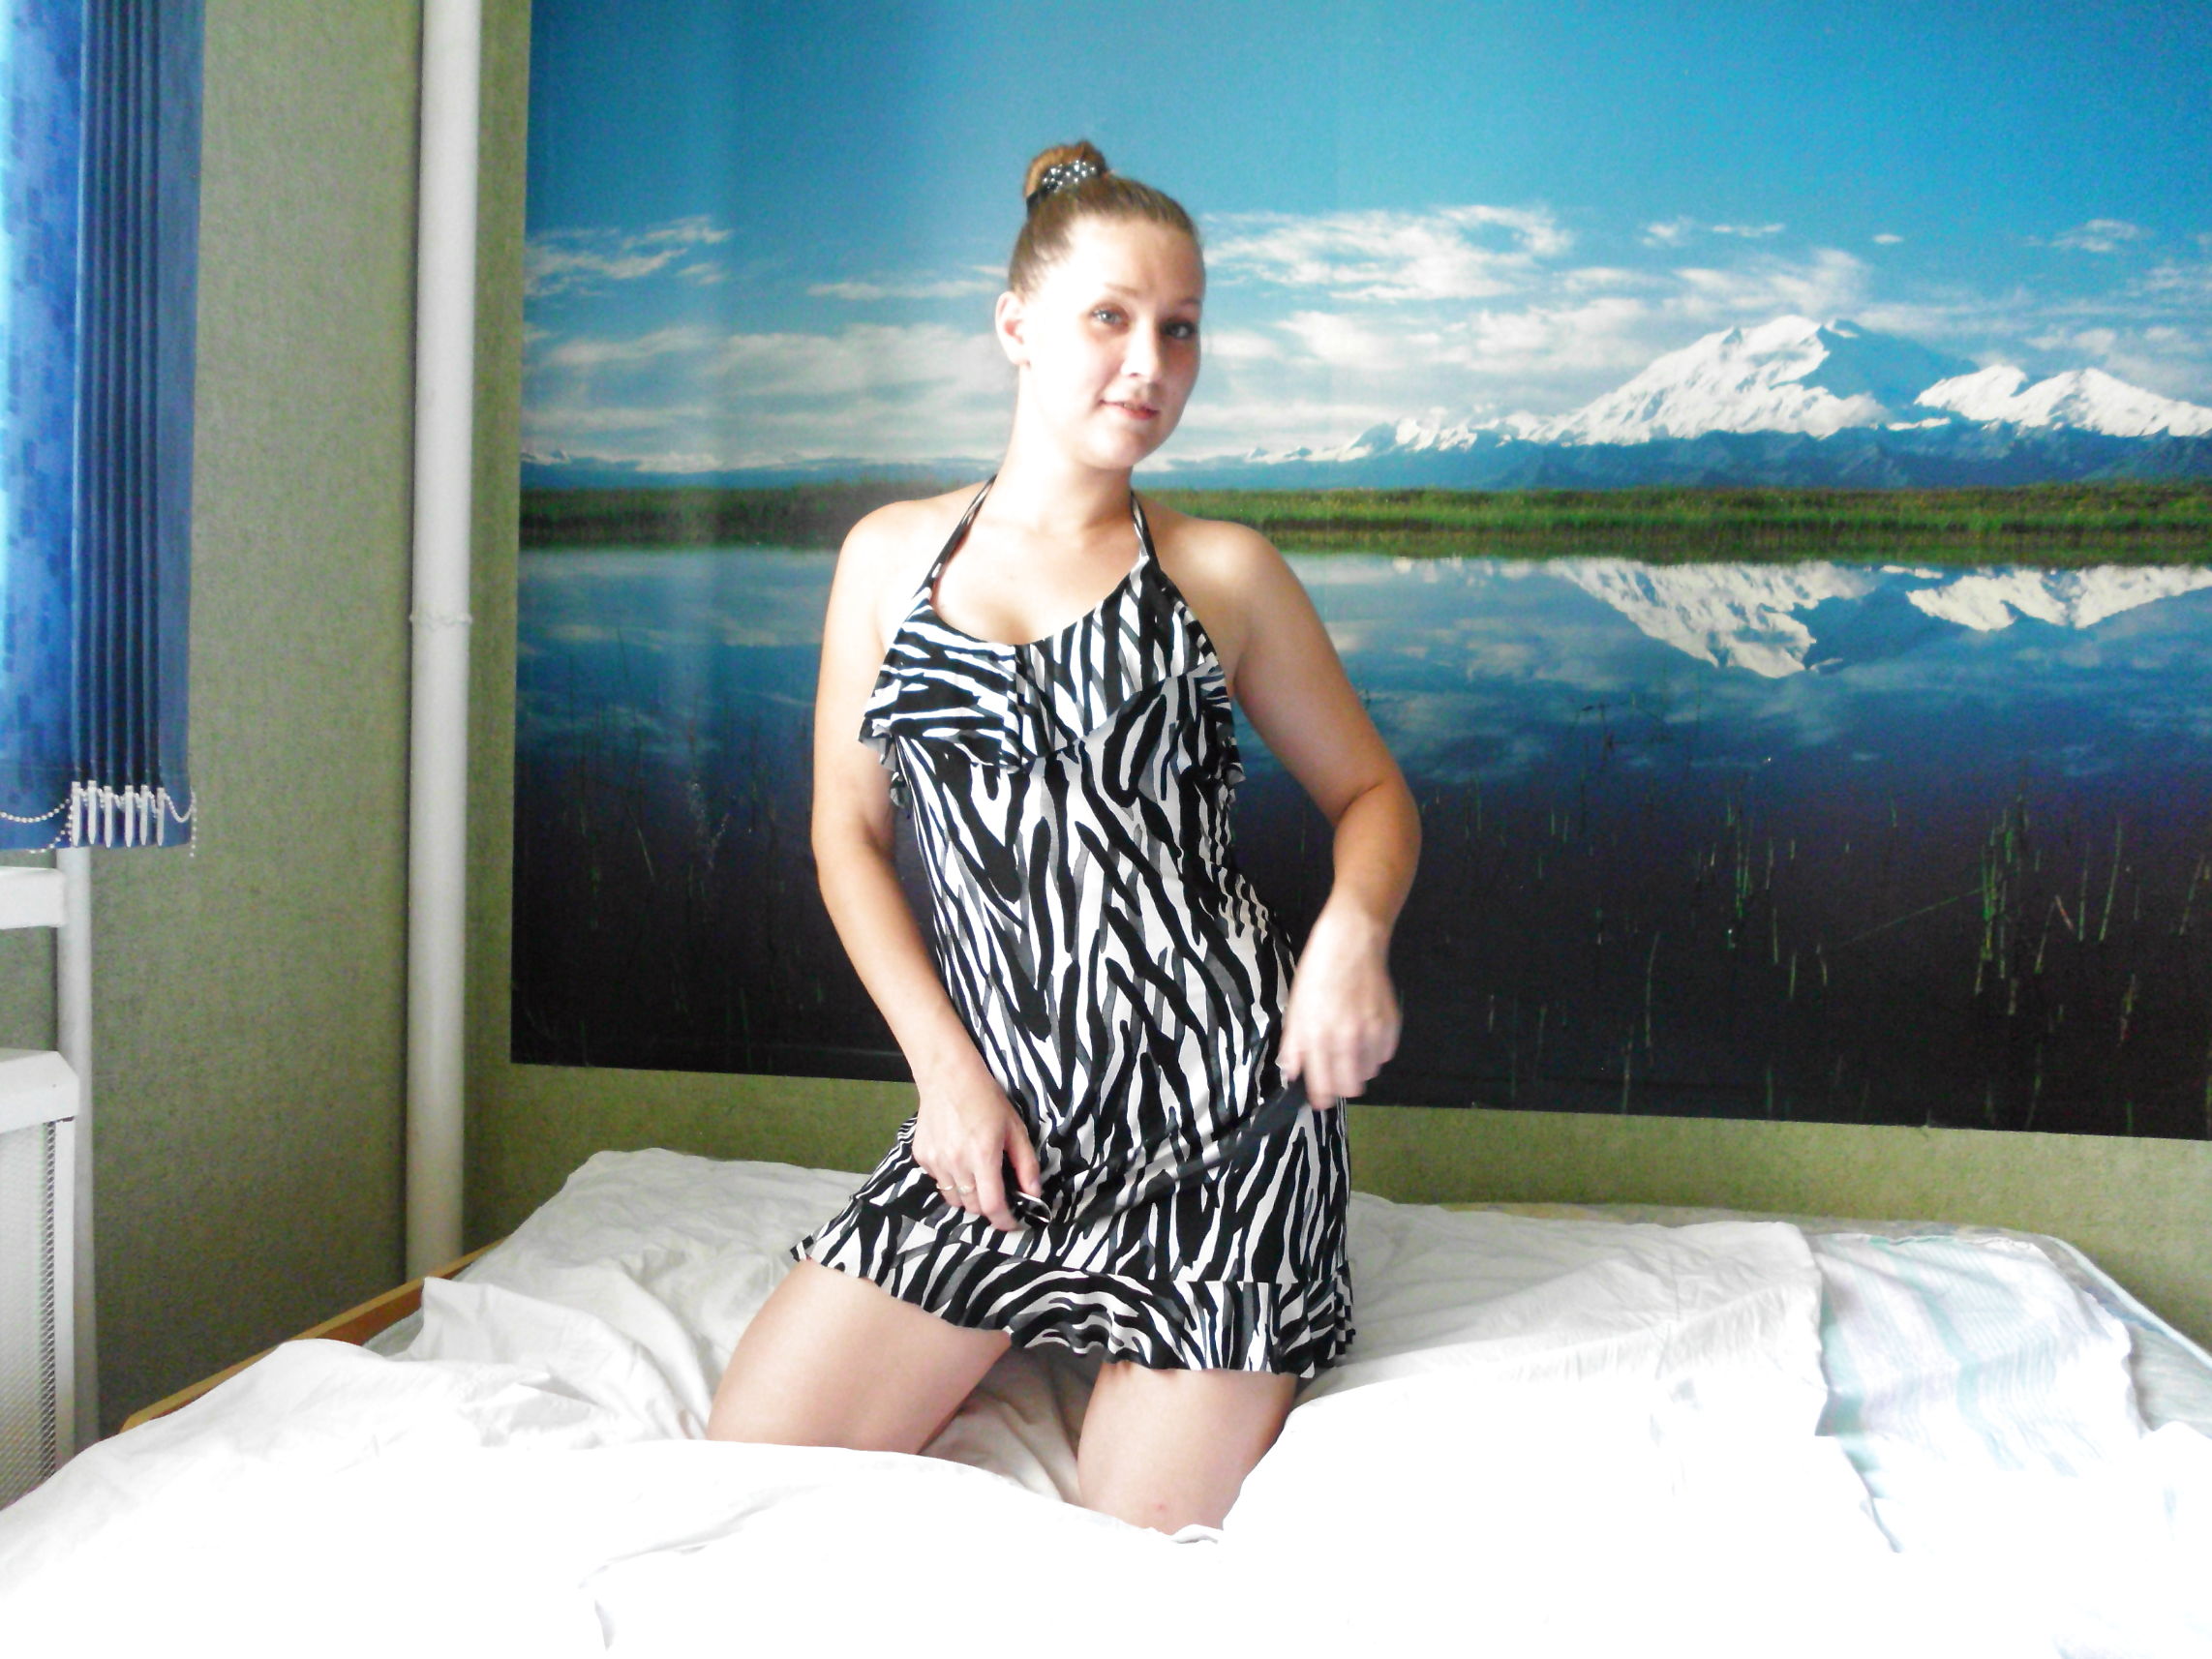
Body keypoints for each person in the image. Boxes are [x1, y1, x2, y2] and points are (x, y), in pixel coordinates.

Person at [706, 141, 1420, 1535]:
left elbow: (1373, 795)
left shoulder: (1221, 572)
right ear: (1017, 324)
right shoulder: (889, 558)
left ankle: (1182, 1329)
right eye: (1110, 316)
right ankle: (1025, 1306)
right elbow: (846, 835)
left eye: (1180, 328)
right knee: (751, 1465)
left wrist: (1351, 935)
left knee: (1136, 1535)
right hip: (1000, 1123)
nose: (1148, 362)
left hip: (1223, 1124)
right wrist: (946, 1077)